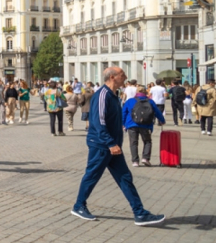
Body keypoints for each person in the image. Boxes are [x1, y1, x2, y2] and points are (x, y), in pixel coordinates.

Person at [71, 66, 164, 226]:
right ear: (113, 77)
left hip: (112, 146)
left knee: (125, 178)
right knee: (92, 175)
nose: (126, 76)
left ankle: (139, 213)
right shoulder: (102, 95)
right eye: (122, 74)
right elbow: (98, 123)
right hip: (101, 145)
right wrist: (110, 143)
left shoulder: (114, 95)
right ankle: (79, 206)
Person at [122, 85, 165, 167]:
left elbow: (123, 113)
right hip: (146, 124)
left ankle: (135, 161)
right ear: (145, 93)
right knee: (147, 141)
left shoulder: (130, 101)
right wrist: (162, 120)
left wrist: (123, 124)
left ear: (136, 92)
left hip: (131, 124)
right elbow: (157, 112)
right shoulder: (150, 101)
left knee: (133, 142)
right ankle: (145, 158)